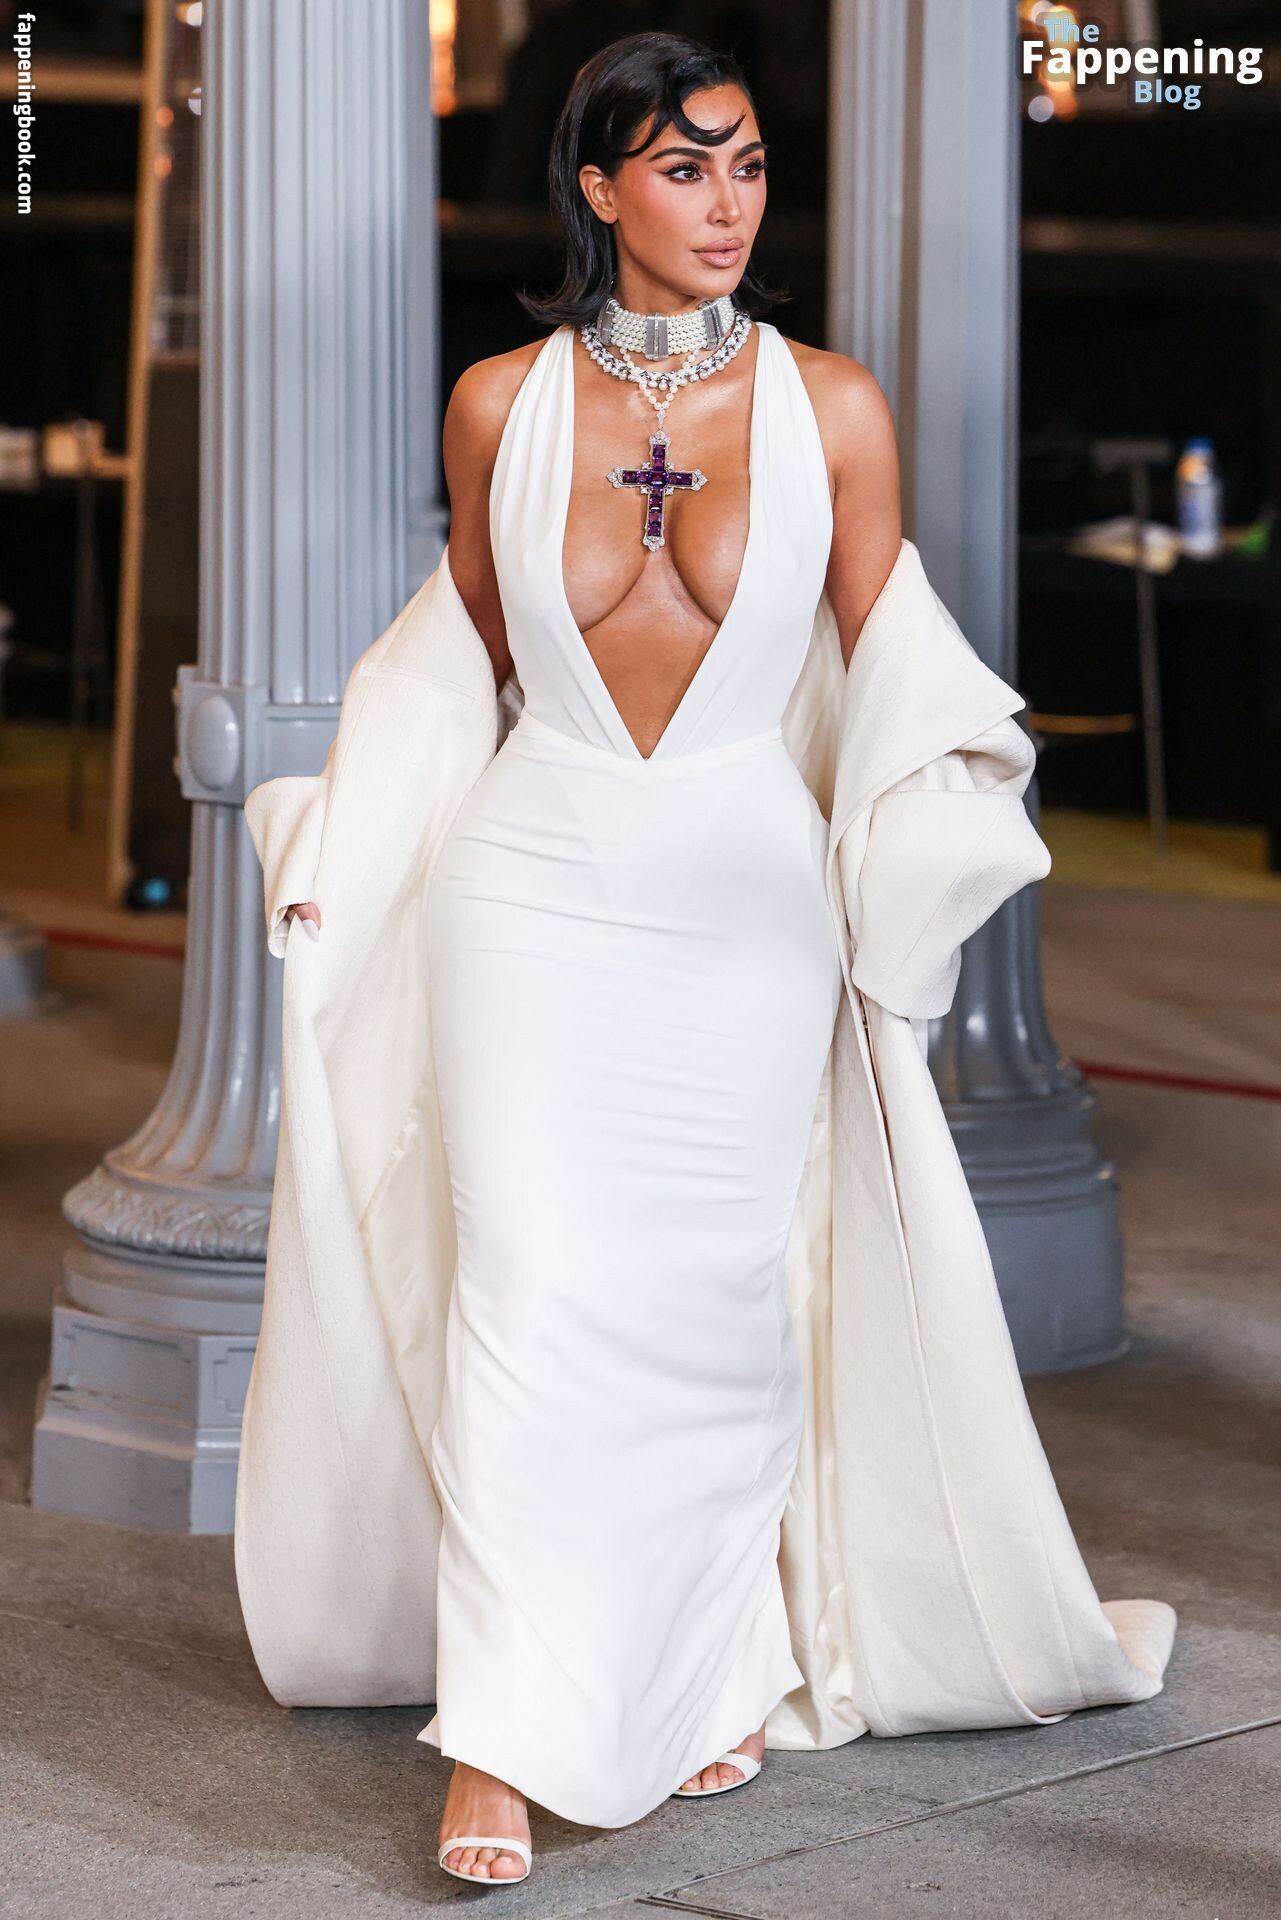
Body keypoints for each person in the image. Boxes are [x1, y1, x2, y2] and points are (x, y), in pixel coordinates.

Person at [259, 32, 1173, 1893]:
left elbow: (895, 665)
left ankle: (709, 1656)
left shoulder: (832, 406)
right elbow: (459, 660)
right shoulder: (499, 404)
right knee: (526, 1287)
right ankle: (502, 1735)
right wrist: (344, 848)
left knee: (715, 1304)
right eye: (683, 168)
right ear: (599, 188)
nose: (727, 203)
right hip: (534, 873)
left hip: (743, 892)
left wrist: (930, 849)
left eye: (746, 163)